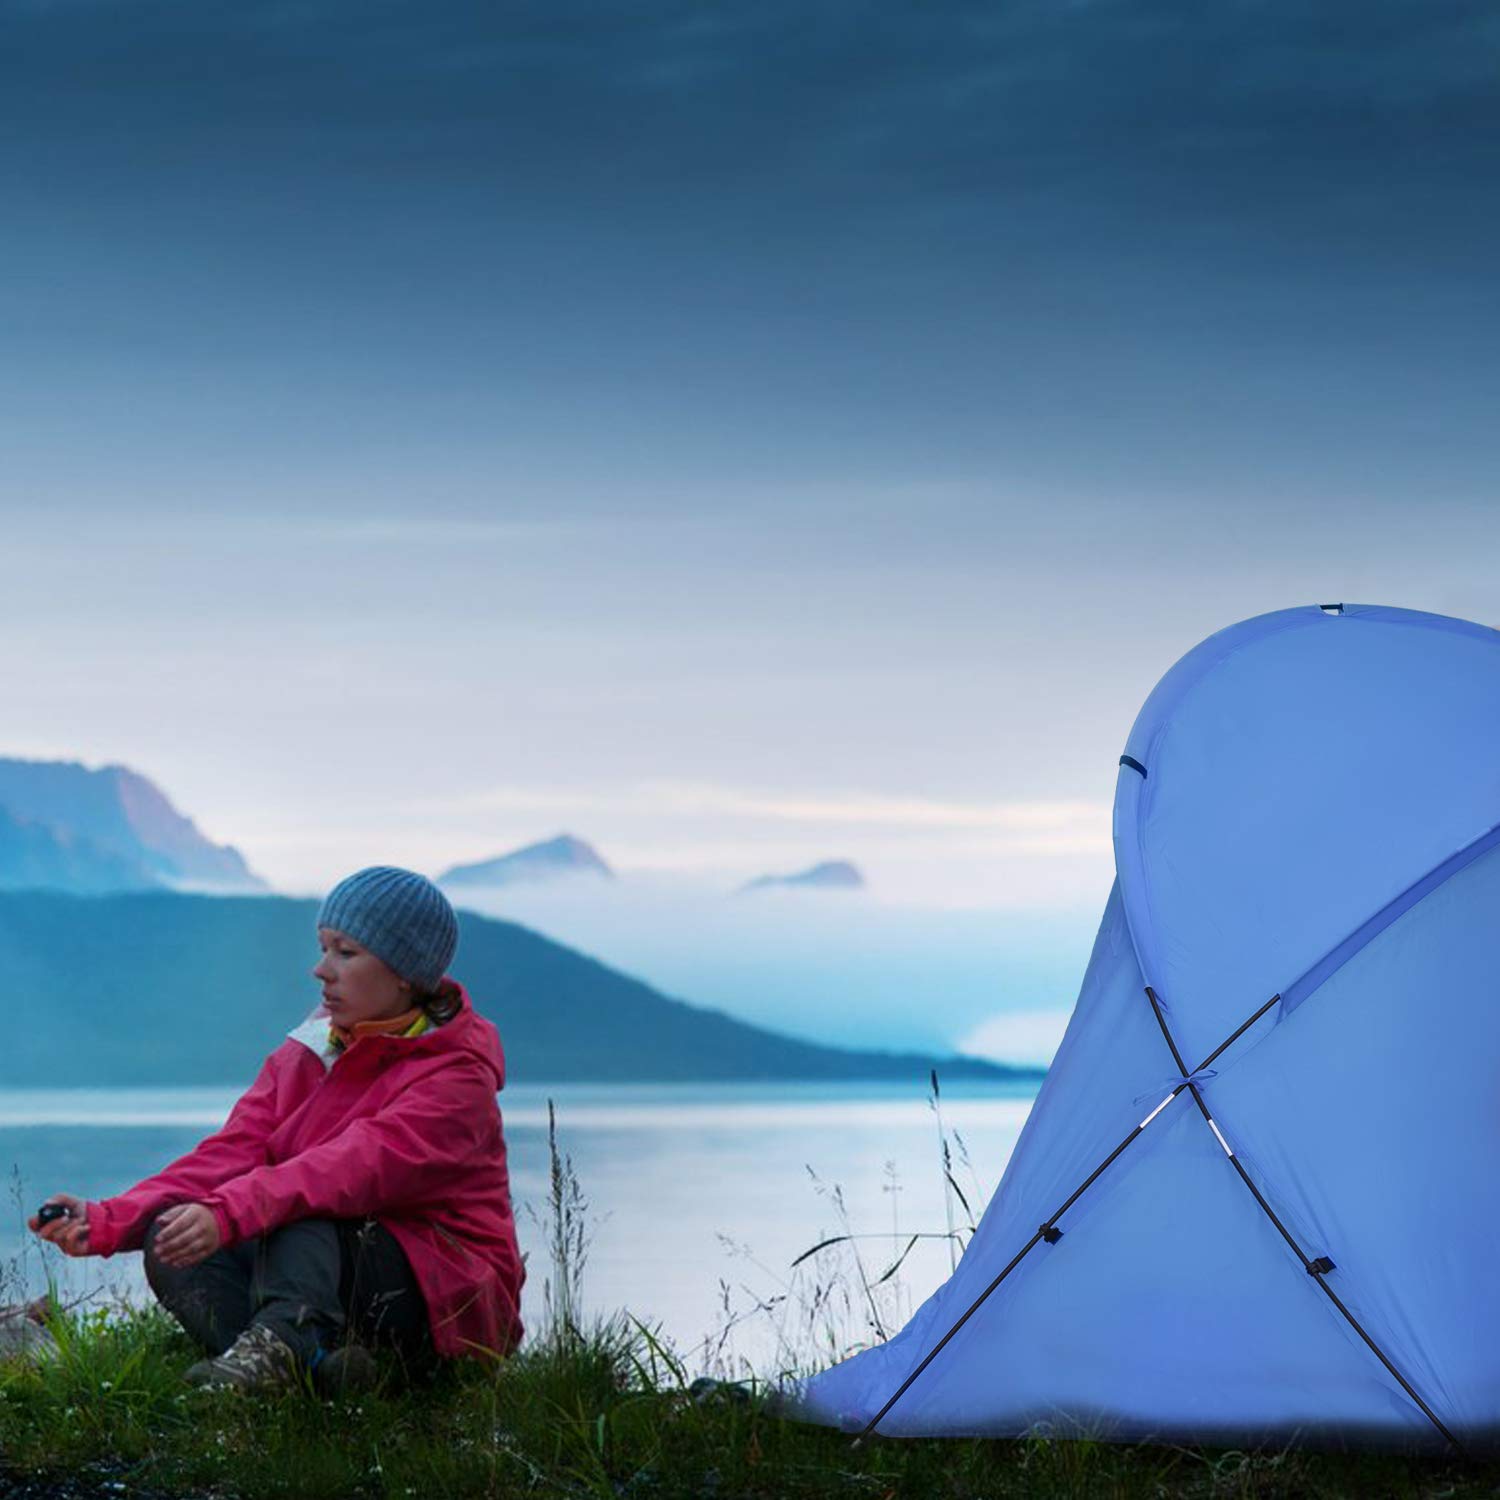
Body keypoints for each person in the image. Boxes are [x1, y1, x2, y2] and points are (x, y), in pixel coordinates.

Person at [29, 866, 524, 1395]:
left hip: (443, 1299)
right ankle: (310, 1369)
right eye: (323, 947)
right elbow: (236, 1149)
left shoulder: (456, 1075)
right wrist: (109, 1219)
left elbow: (347, 1170)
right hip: (334, 1268)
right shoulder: (319, 1044)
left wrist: (227, 1212)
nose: (321, 970)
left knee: (300, 1206)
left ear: (404, 972)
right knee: (173, 1236)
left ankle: (283, 1352)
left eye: (346, 952)